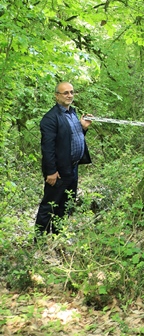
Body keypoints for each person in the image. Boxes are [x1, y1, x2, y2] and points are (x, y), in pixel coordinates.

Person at [35, 82, 92, 236]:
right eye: (65, 93)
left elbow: (72, 138)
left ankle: (57, 238)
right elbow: (47, 148)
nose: (69, 95)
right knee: (49, 206)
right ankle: (40, 241)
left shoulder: (72, 113)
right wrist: (51, 171)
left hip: (72, 168)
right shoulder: (50, 119)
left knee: (65, 205)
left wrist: (83, 128)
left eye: (71, 92)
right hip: (59, 172)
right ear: (56, 96)